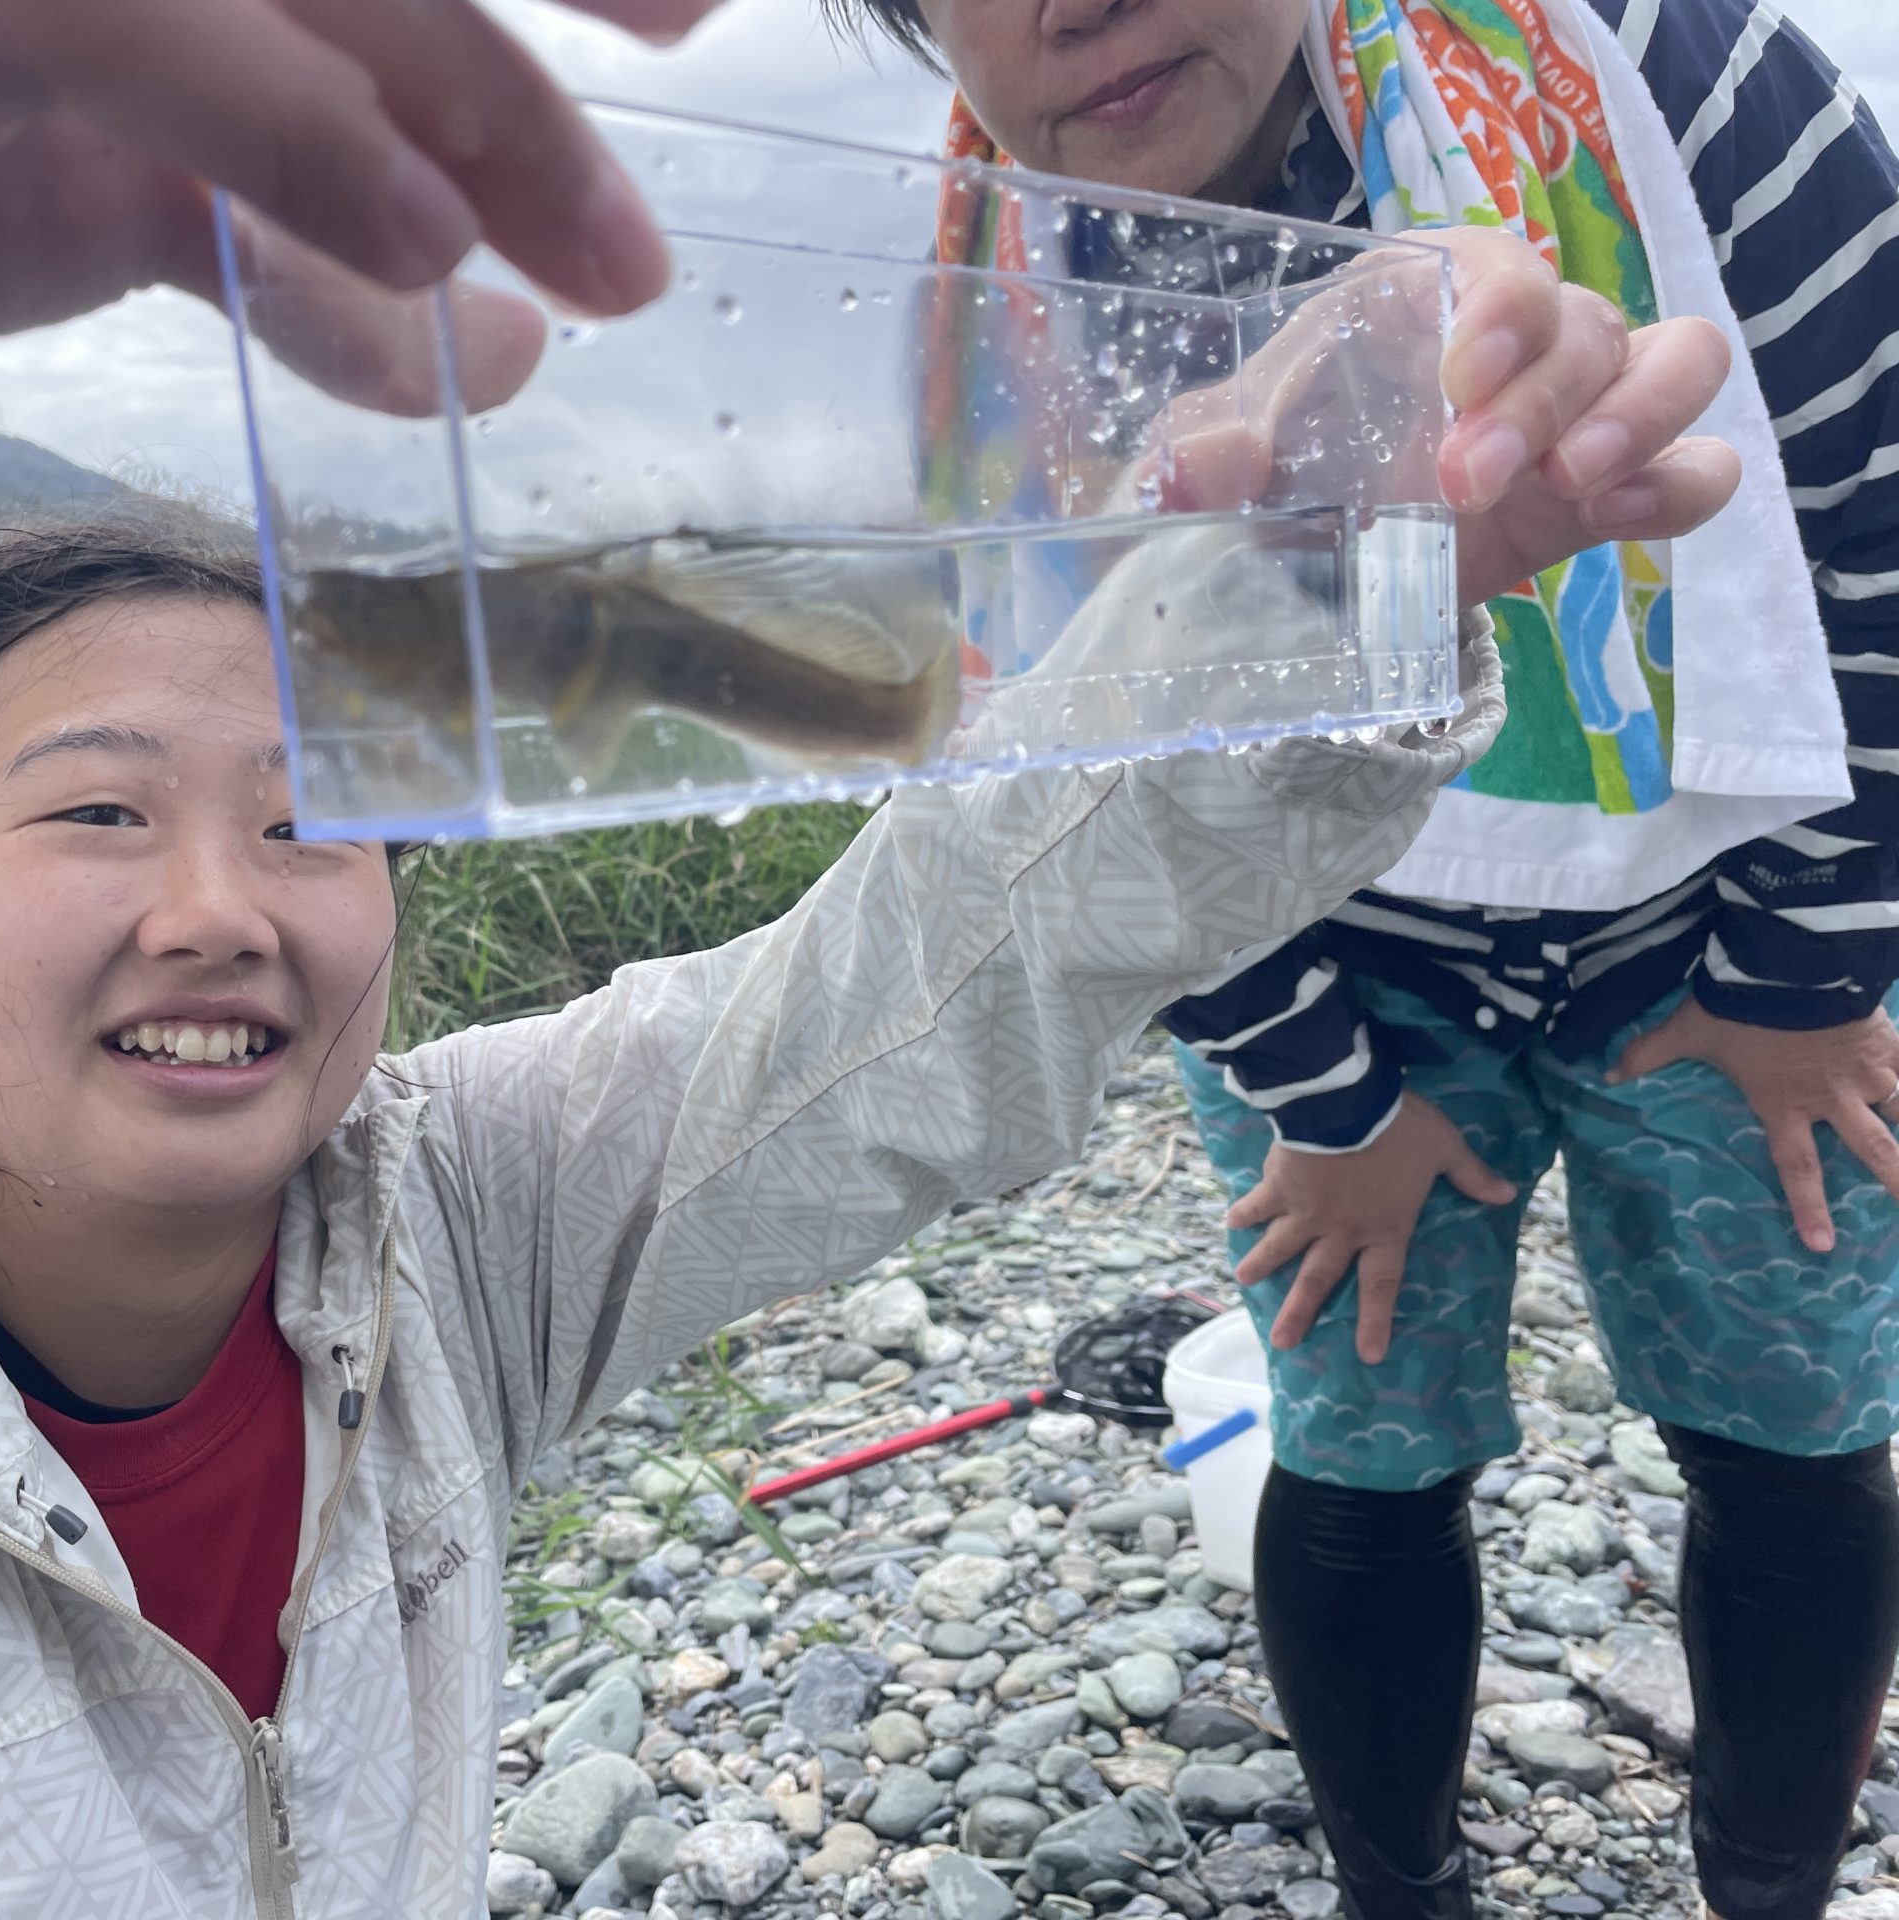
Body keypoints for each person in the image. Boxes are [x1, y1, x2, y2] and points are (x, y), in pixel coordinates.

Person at [0, 0, 1729, 1910]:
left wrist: (1325, 572)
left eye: (313, 818)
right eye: (94, 811)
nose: (220, 902)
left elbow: (934, 976)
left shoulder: (439, 1237)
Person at [825, 0, 1899, 1914]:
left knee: (1799, 1423)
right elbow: (1083, 751)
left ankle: (1773, 1891)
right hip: (1317, 941)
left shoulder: (1673, 69)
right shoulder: (1000, 311)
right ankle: (1402, 1893)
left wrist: (1806, 982)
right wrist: (1319, 1092)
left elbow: (1877, 512)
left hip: (1721, 888)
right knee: (1362, 1436)